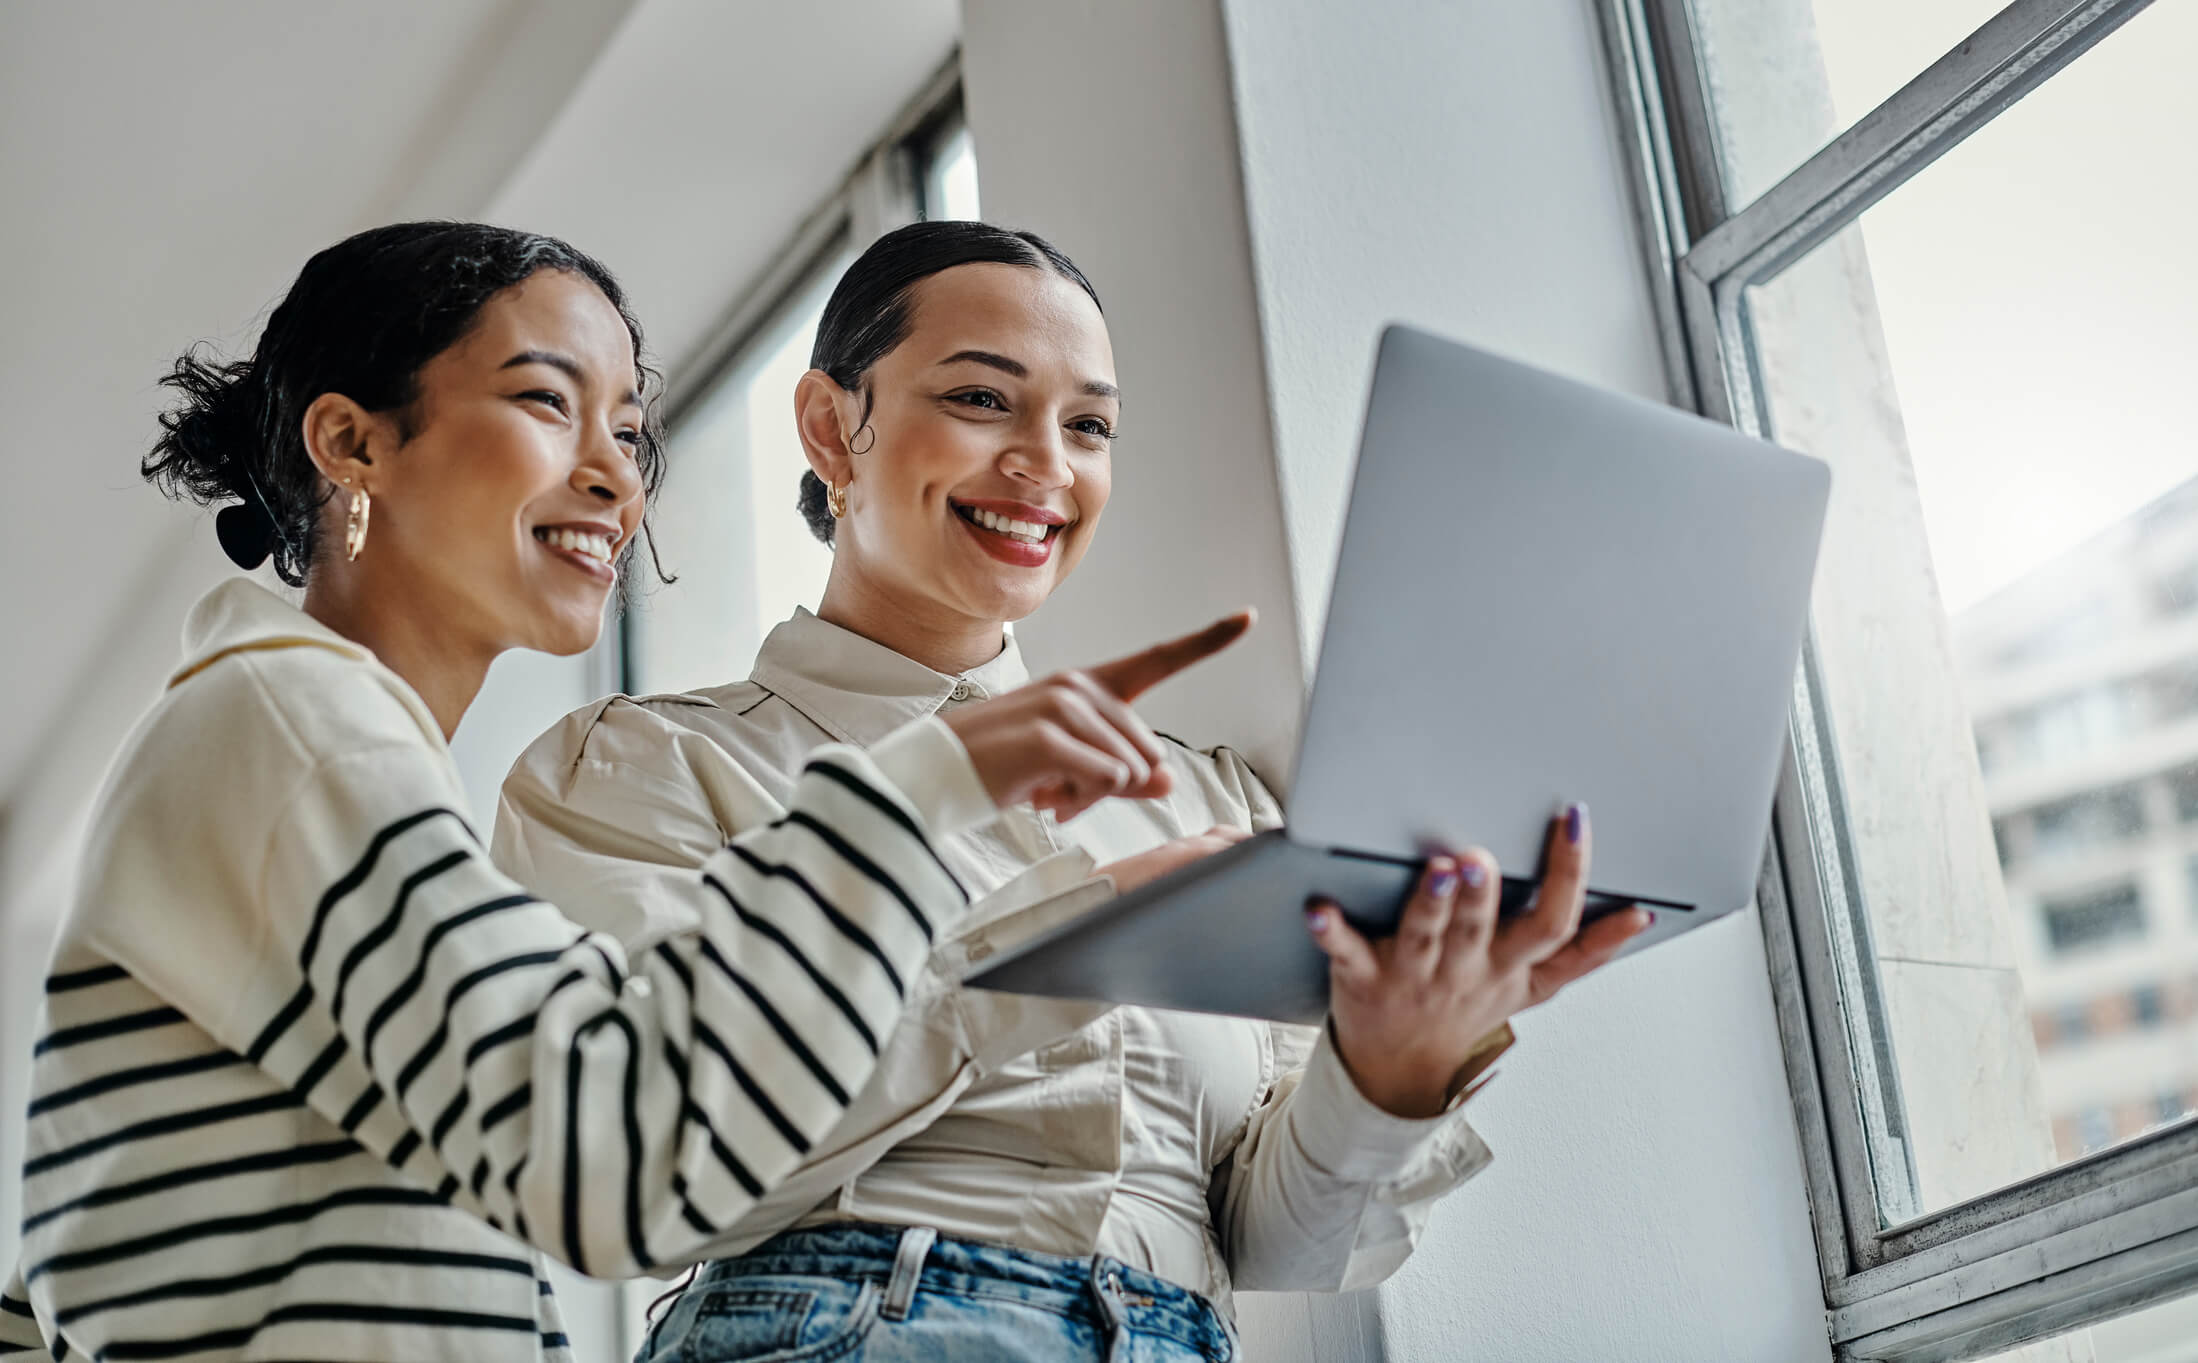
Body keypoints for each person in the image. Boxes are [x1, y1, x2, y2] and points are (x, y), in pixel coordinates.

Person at [0, 221, 1243, 1363]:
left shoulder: (325, 750)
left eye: (631, 431)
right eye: (548, 402)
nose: (614, 476)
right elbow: (623, 1162)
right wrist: (929, 787)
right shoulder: (293, 720)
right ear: (352, 442)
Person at [496, 221, 1650, 1362]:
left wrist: (1393, 1065)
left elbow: (1275, 1244)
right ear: (828, 428)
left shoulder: (1208, 800)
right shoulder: (643, 765)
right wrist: (1074, 943)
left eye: (1088, 423)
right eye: (982, 400)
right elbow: (647, 1175)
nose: (1045, 461)